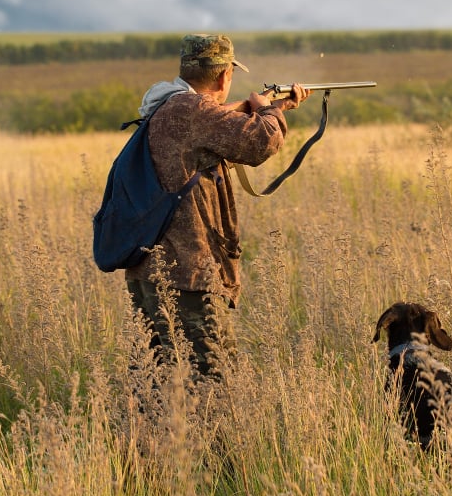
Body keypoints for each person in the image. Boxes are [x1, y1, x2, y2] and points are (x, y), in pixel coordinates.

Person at [124, 33, 311, 382]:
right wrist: (270, 110)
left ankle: (149, 438)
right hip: (188, 275)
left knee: (156, 382)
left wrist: (268, 108)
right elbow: (259, 143)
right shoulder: (194, 111)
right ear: (225, 75)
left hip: (151, 270)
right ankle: (216, 440)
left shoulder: (167, 105)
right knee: (215, 383)